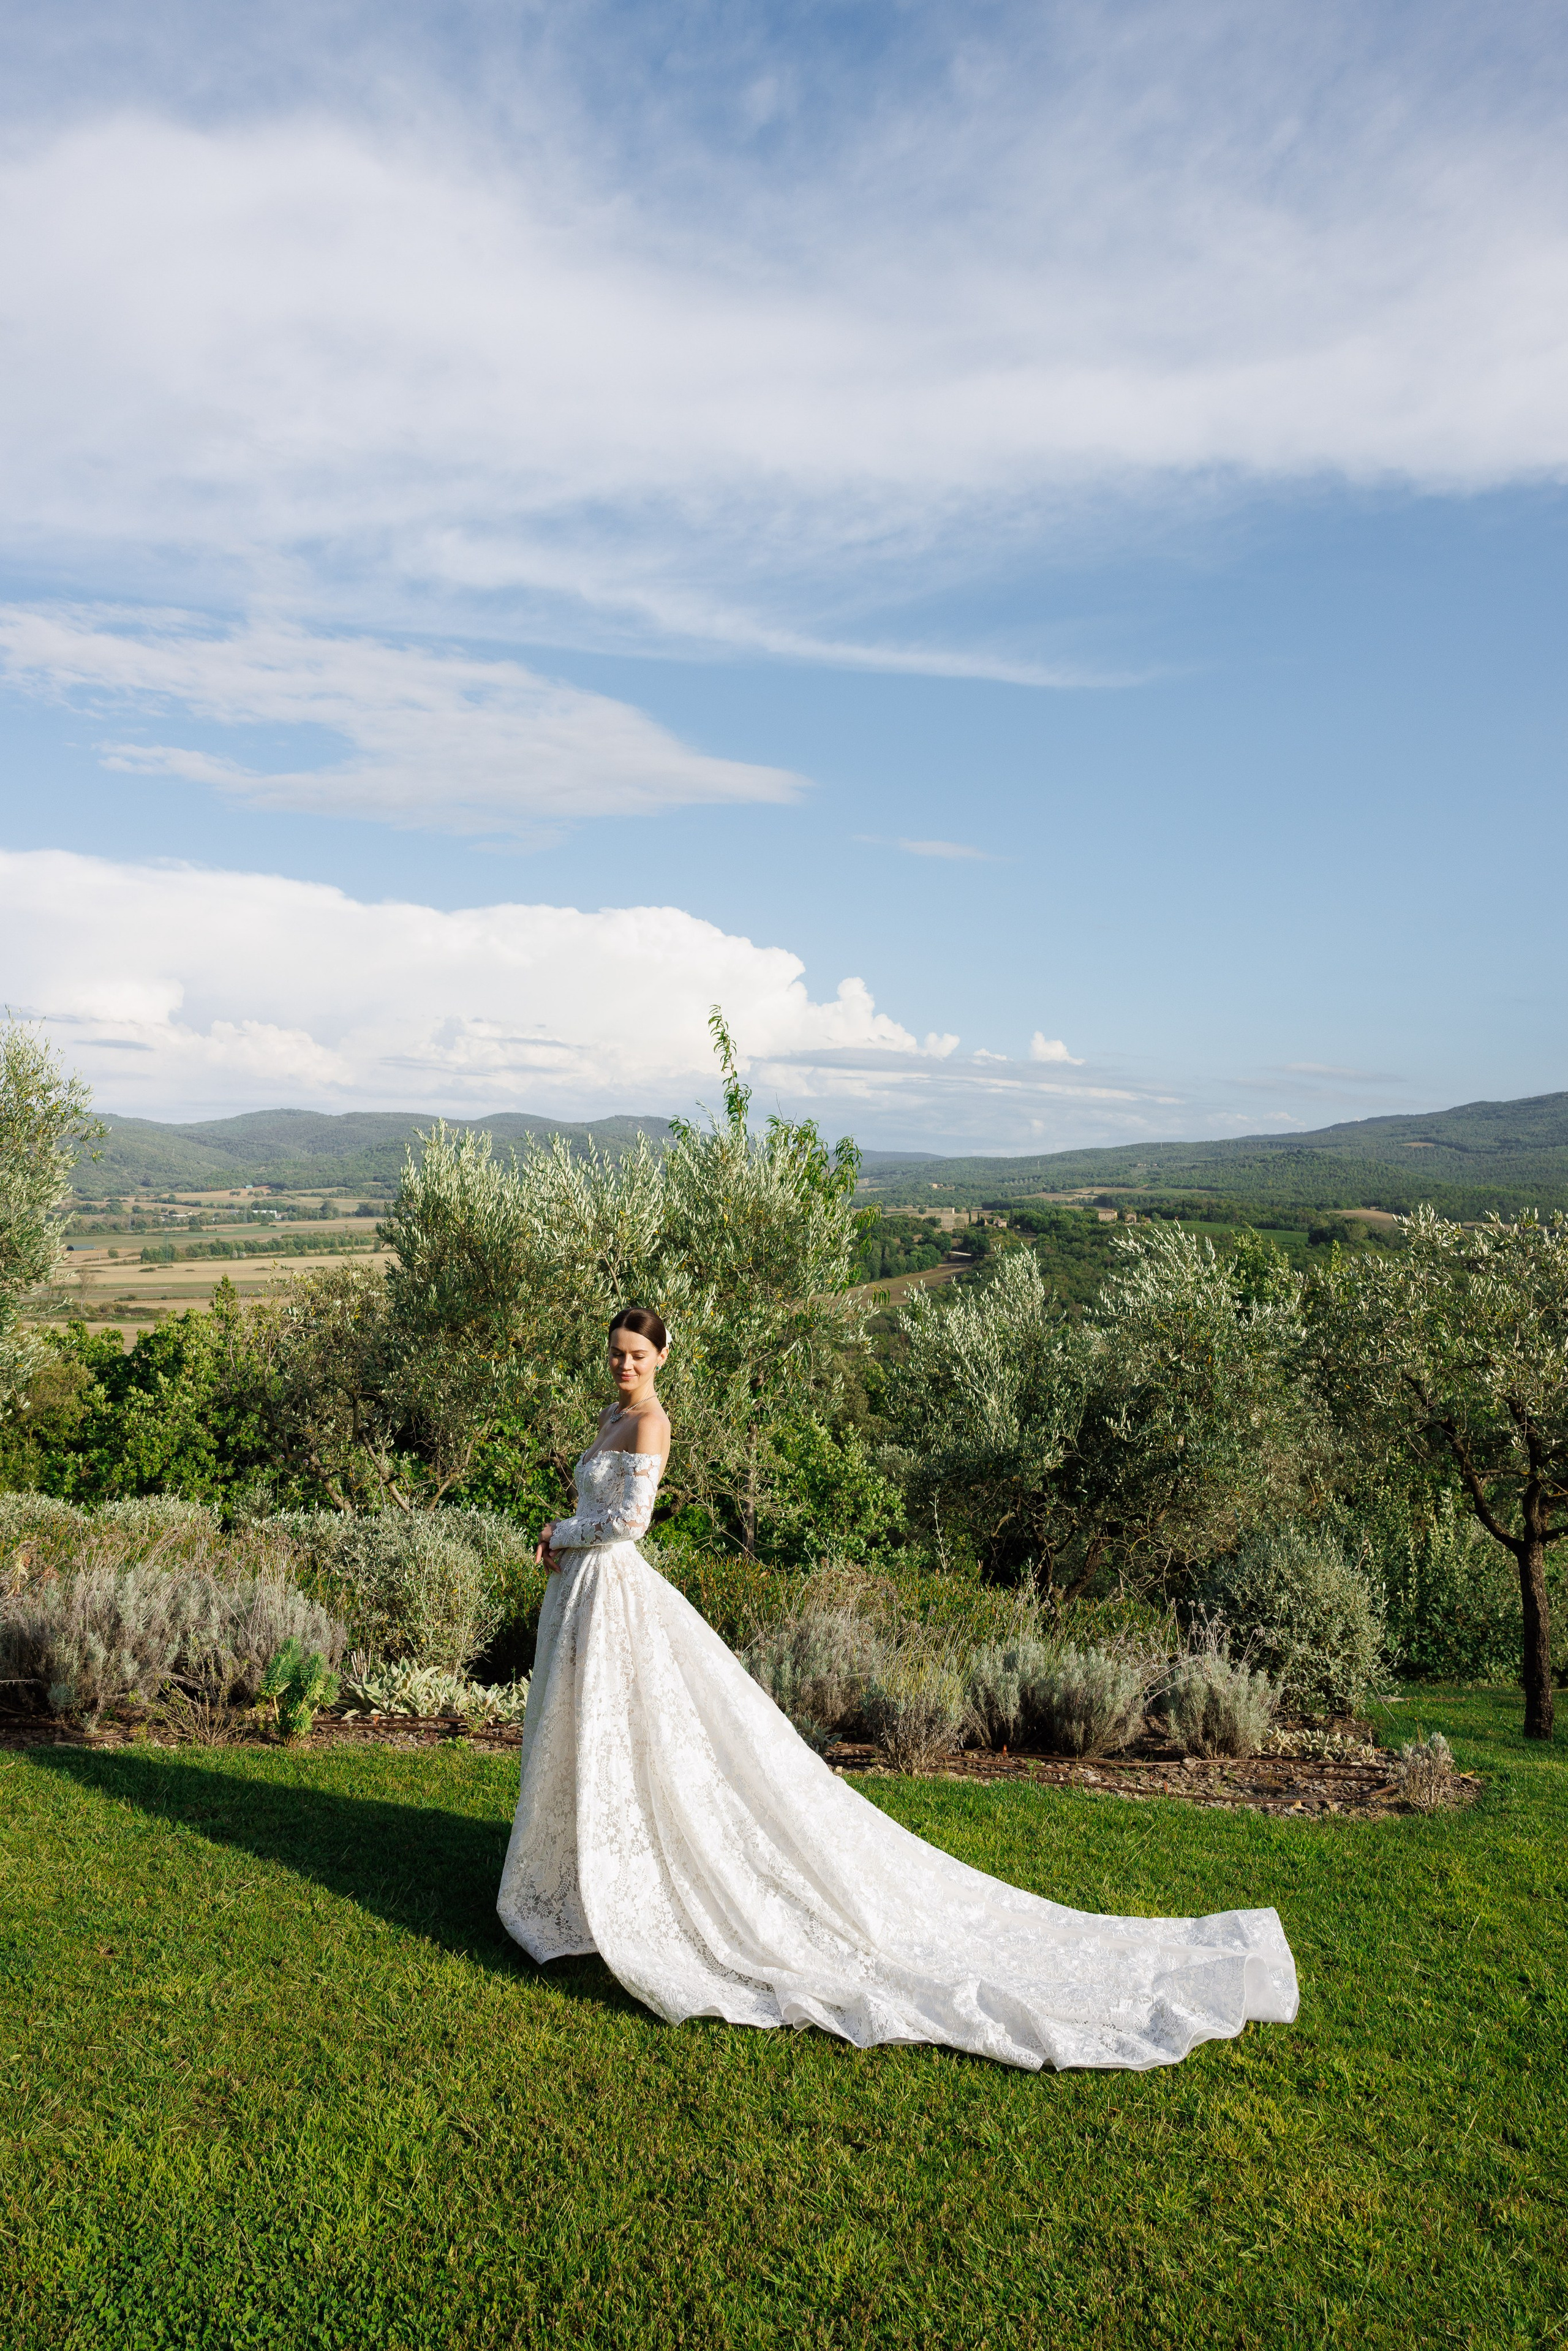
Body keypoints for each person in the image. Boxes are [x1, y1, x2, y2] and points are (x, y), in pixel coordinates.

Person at [497, 1306, 1298, 2072]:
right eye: (615, 1353)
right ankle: (582, 1882)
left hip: (613, 1589)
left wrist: (557, 1533)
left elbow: (631, 1523)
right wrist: (568, 1538)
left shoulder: (649, 1423)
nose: (624, 1364)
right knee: (587, 1731)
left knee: (643, 1735)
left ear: (663, 1358)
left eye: (637, 1355)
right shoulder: (611, 1414)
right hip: (582, 1597)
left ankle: (637, 1888)